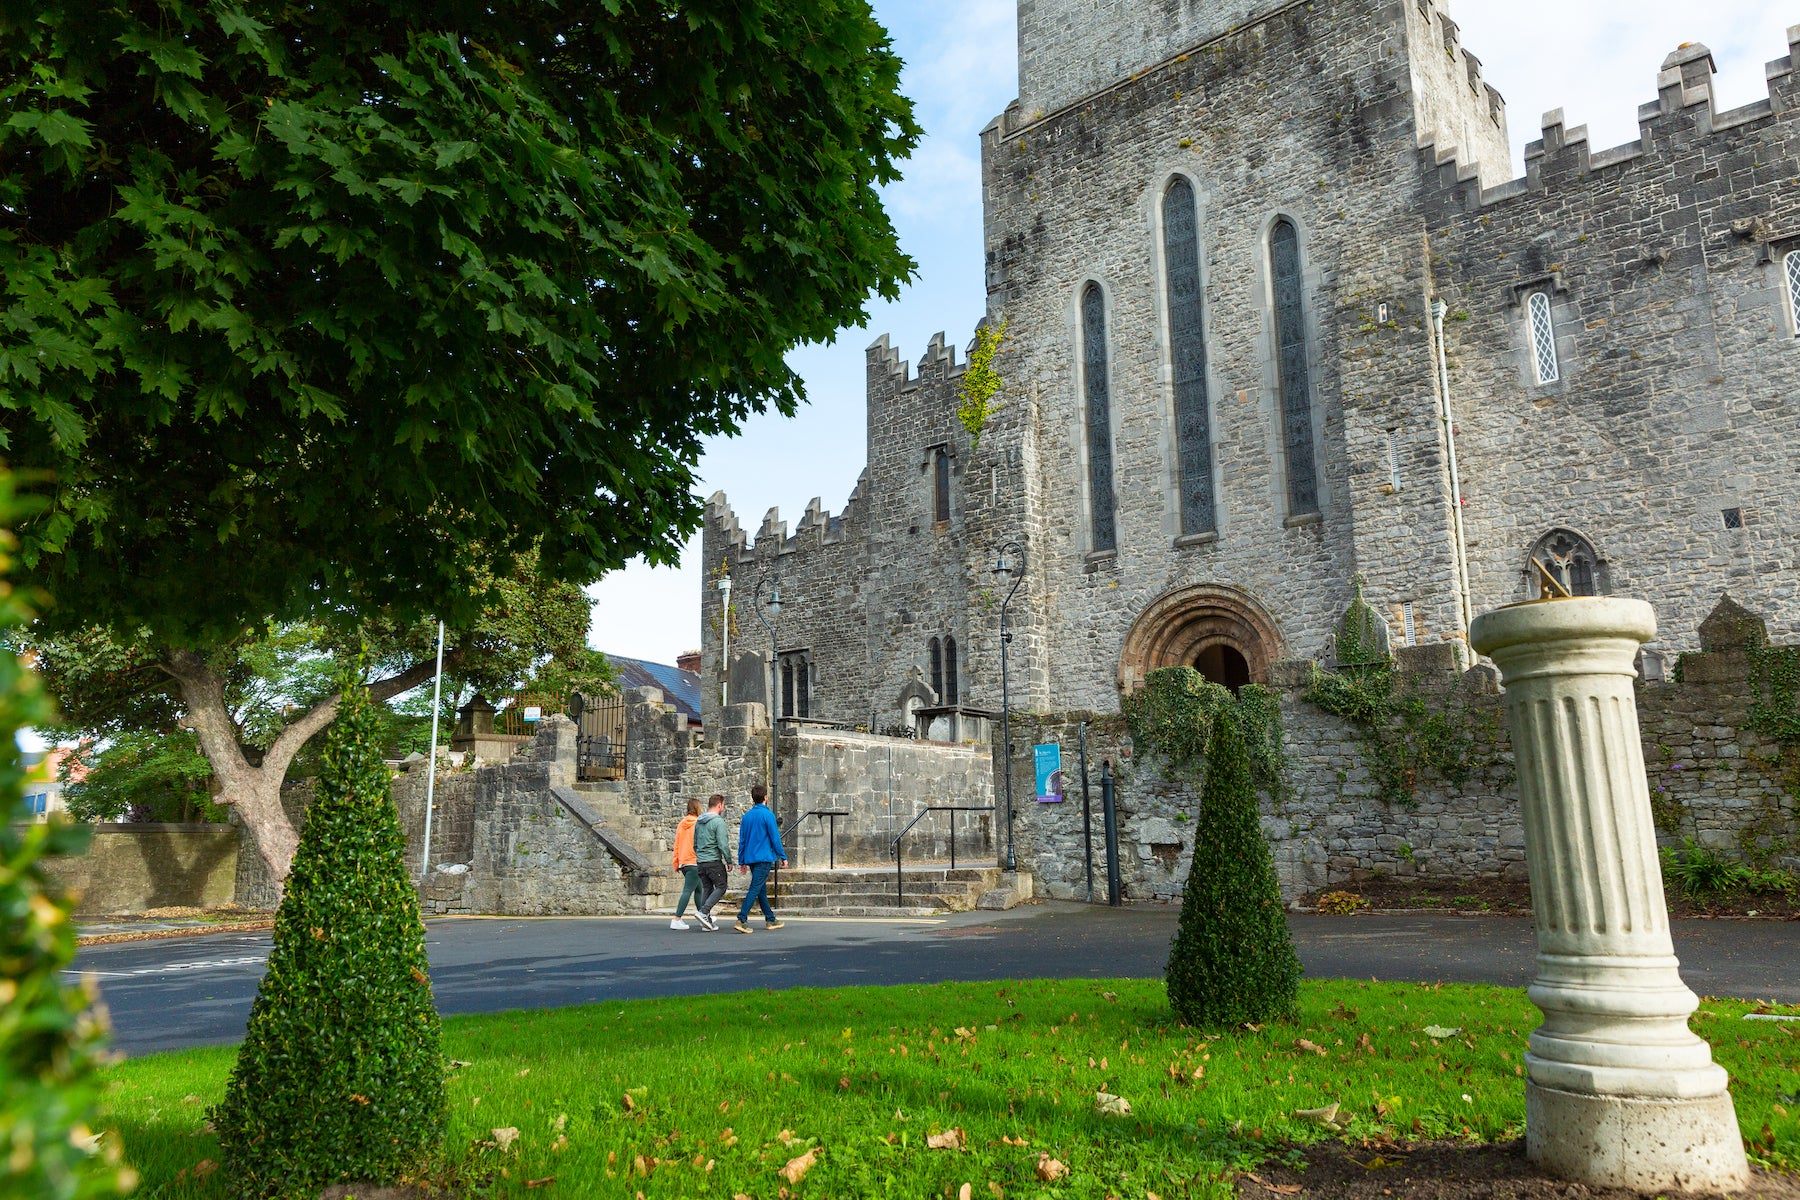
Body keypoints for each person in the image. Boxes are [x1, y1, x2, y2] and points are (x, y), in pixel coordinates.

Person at [733, 784, 786, 933]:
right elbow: (775, 838)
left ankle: (770, 918)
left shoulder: (747, 817)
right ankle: (742, 918)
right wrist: (783, 856)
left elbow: (742, 840)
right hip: (763, 858)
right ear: (765, 798)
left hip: (751, 858)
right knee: (755, 888)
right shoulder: (768, 815)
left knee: (760, 889)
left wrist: (741, 860)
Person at [692, 793, 733, 931]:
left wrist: (700, 856)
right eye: (723, 806)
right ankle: (703, 912)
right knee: (721, 886)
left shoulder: (699, 821)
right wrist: (728, 860)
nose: (723, 808)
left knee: (707, 888)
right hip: (713, 861)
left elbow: (695, 844)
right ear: (720, 805)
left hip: (701, 862)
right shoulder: (718, 822)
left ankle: (706, 922)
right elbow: (723, 844)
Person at [669, 797, 702, 931]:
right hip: (694, 861)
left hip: (684, 862)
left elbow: (676, 844)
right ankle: (676, 919)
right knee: (688, 890)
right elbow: (700, 844)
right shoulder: (698, 824)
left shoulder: (682, 823)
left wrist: (676, 862)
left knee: (699, 889)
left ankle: (704, 916)